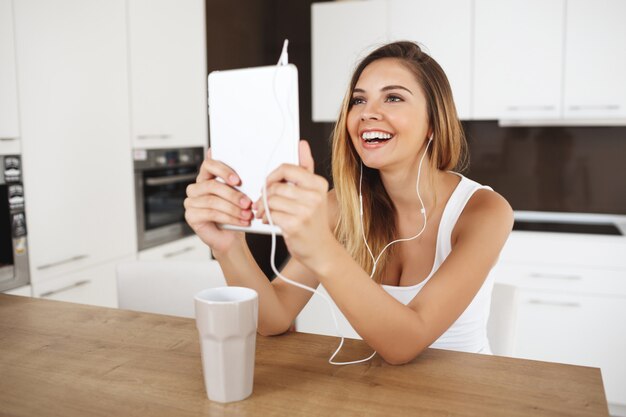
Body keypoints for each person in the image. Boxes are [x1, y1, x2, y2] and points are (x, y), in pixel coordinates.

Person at [184, 41, 513, 365]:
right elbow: (274, 318)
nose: (368, 113)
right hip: (376, 391)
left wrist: (321, 248)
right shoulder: (340, 206)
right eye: (358, 100)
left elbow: (405, 343)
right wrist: (229, 247)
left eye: (393, 97)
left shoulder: (485, 211)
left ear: (432, 123)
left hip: (468, 393)